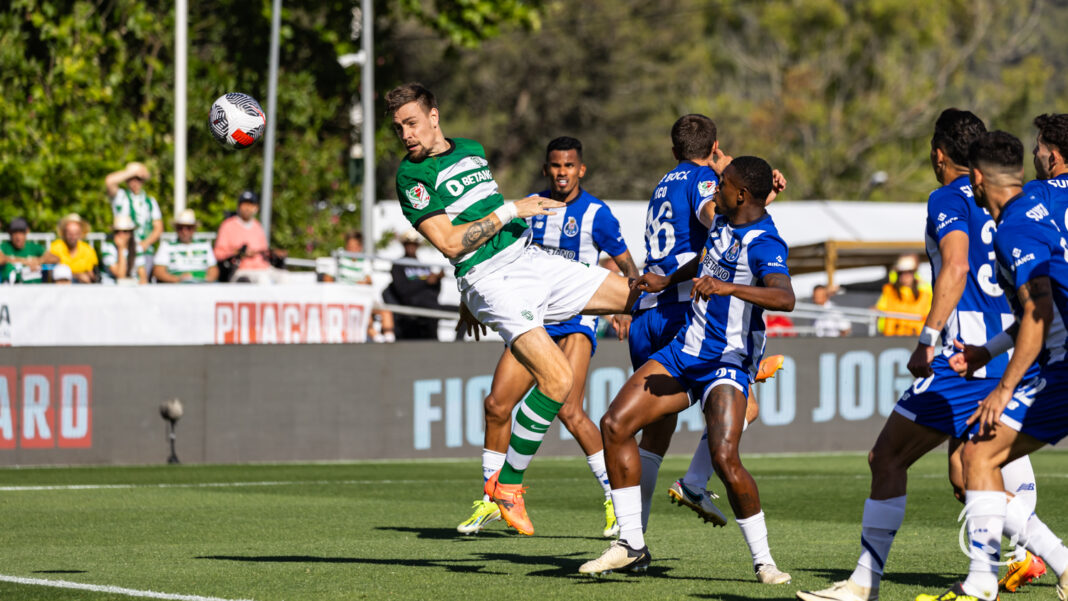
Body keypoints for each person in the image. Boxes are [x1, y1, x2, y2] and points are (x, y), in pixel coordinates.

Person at [797, 110, 1042, 601]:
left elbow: (953, 268)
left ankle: (865, 584)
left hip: (963, 356)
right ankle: (1037, 557)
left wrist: (925, 340)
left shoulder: (947, 197)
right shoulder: (1012, 199)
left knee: (886, 456)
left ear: (937, 153)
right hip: (1007, 348)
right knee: (966, 471)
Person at [387, 83, 636, 536]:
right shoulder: (411, 178)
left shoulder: (471, 150)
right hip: (492, 279)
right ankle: (506, 487)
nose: (405, 134)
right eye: (399, 127)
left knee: (639, 296)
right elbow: (448, 242)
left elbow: (481, 220)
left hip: (531, 260)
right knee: (553, 384)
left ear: (434, 116)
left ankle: (727, 362)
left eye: (412, 122)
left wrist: (508, 219)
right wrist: (512, 210)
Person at [578, 156, 794, 581]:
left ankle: (765, 562)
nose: (715, 191)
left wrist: (728, 287)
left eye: (723, 186)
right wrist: (667, 281)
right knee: (614, 423)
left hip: (727, 360)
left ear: (742, 195)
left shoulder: (766, 243)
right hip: (685, 350)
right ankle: (630, 544)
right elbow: (705, 262)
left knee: (725, 458)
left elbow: (784, 298)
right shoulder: (722, 223)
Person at [456, 136, 639, 537]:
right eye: (555, 166)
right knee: (496, 405)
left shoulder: (597, 214)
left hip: (576, 318)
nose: (562, 172)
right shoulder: (529, 208)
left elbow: (626, 264)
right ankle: (491, 499)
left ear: (581, 170)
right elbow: (492, 259)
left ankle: (613, 498)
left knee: (569, 410)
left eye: (569, 166)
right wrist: (468, 302)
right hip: (533, 315)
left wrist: (623, 305)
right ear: (546, 169)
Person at [917, 132, 1068, 601]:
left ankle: (982, 582)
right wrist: (987, 351)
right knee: (977, 455)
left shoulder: (1015, 226)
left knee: (977, 455)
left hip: (1063, 367)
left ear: (978, 179)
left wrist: (1003, 387)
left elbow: (1039, 312)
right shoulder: (1036, 215)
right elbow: (1035, 311)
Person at [625, 115, 786, 539]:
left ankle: (633, 536)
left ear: (672, 148)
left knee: (652, 435)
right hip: (684, 310)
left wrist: (756, 189)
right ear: (714, 147)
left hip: (647, 313)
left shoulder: (665, 181)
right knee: (744, 408)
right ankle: (695, 483)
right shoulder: (702, 180)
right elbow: (723, 214)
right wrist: (749, 190)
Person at [384, 230, 452, 340]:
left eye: (414, 244)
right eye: (408, 244)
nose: (411, 247)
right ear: (404, 245)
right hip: (413, 305)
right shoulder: (398, 265)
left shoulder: (423, 266)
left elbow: (435, 294)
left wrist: (437, 280)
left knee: (463, 312)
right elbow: (402, 290)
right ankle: (435, 344)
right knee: (431, 312)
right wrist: (425, 282)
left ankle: (458, 344)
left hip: (431, 304)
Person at [214, 190, 284, 283]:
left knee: (285, 277)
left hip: (263, 267)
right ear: (239, 206)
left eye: (251, 205)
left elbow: (264, 252)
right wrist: (239, 252)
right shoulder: (227, 226)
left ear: (256, 208)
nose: (247, 208)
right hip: (241, 270)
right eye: (245, 204)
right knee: (263, 280)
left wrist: (275, 253)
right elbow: (218, 253)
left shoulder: (257, 226)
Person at [336, 231, 395, 342]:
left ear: (359, 247)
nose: (352, 250)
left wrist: (358, 285)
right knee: (365, 311)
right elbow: (331, 279)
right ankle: (375, 336)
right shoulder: (341, 259)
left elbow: (368, 280)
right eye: (350, 246)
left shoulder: (364, 261)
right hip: (347, 298)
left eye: (355, 247)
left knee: (386, 311)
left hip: (362, 297)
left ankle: (389, 338)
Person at [106, 161, 163, 265]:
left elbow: (158, 227)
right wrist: (132, 172)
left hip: (144, 251)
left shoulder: (150, 201)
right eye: (131, 179)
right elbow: (109, 181)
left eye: (139, 179)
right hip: (122, 250)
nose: (135, 182)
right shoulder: (120, 196)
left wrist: (145, 244)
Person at [153, 209, 219, 283]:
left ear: (194, 228)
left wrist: (201, 280)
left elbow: (213, 270)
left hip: (202, 286)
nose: (184, 231)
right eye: (180, 228)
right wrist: (178, 279)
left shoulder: (205, 245)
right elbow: (158, 271)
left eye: (188, 228)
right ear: (176, 228)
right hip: (175, 288)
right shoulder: (166, 246)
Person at [875, 254, 932, 336]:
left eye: (909, 272)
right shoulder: (889, 291)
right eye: (901, 273)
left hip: (916, 337)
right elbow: (880, 309)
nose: (905, 276)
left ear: (914, 274)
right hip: (892, 336)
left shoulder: (925, 293)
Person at [1, 217, 56, 284]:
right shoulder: (4, 247)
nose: (18, 237)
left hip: (37, 288)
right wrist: (26, 262)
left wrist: (38, 261)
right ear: (10, 232)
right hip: (11, 288)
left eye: (21, 232)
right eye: (15, 232)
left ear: (27, 231)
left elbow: (55, 258)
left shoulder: (33, 247)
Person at [49, 213, 98, 283]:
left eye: (76, 233)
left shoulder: (88, 250)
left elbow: (92, 275)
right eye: (70, 233)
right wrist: (76, 275)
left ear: (80, 233)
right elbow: (51, 273)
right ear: (64, 233)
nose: (72, 236)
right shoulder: (56, 246)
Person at [99, 214, 147, 284]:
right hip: (110, 286)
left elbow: (143, 275)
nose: (121, 234)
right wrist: (121, 248)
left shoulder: (137, 248)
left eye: (125, 231)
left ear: (130, 233)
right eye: (117, 231)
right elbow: (120, 275)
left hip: (131, 285)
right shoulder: (107, 248)